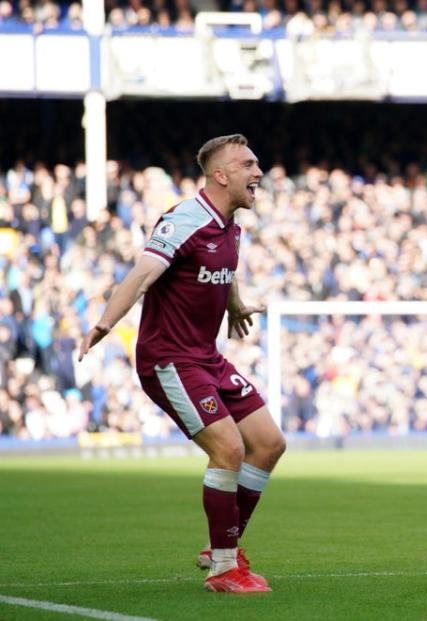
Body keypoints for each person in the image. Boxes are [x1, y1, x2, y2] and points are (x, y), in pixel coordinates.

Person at [78, 134, 285, 593]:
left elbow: (222, 272)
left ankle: (220, 546)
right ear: (220, 174)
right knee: (228, 448)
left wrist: (235, 305)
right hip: (169, 358)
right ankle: (224, 571)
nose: (258, 172)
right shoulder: (184, 219)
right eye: (248, 164)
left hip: (206, 357)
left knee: (268, 443)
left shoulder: (230, 226)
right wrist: (105, 324)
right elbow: (143, 274)